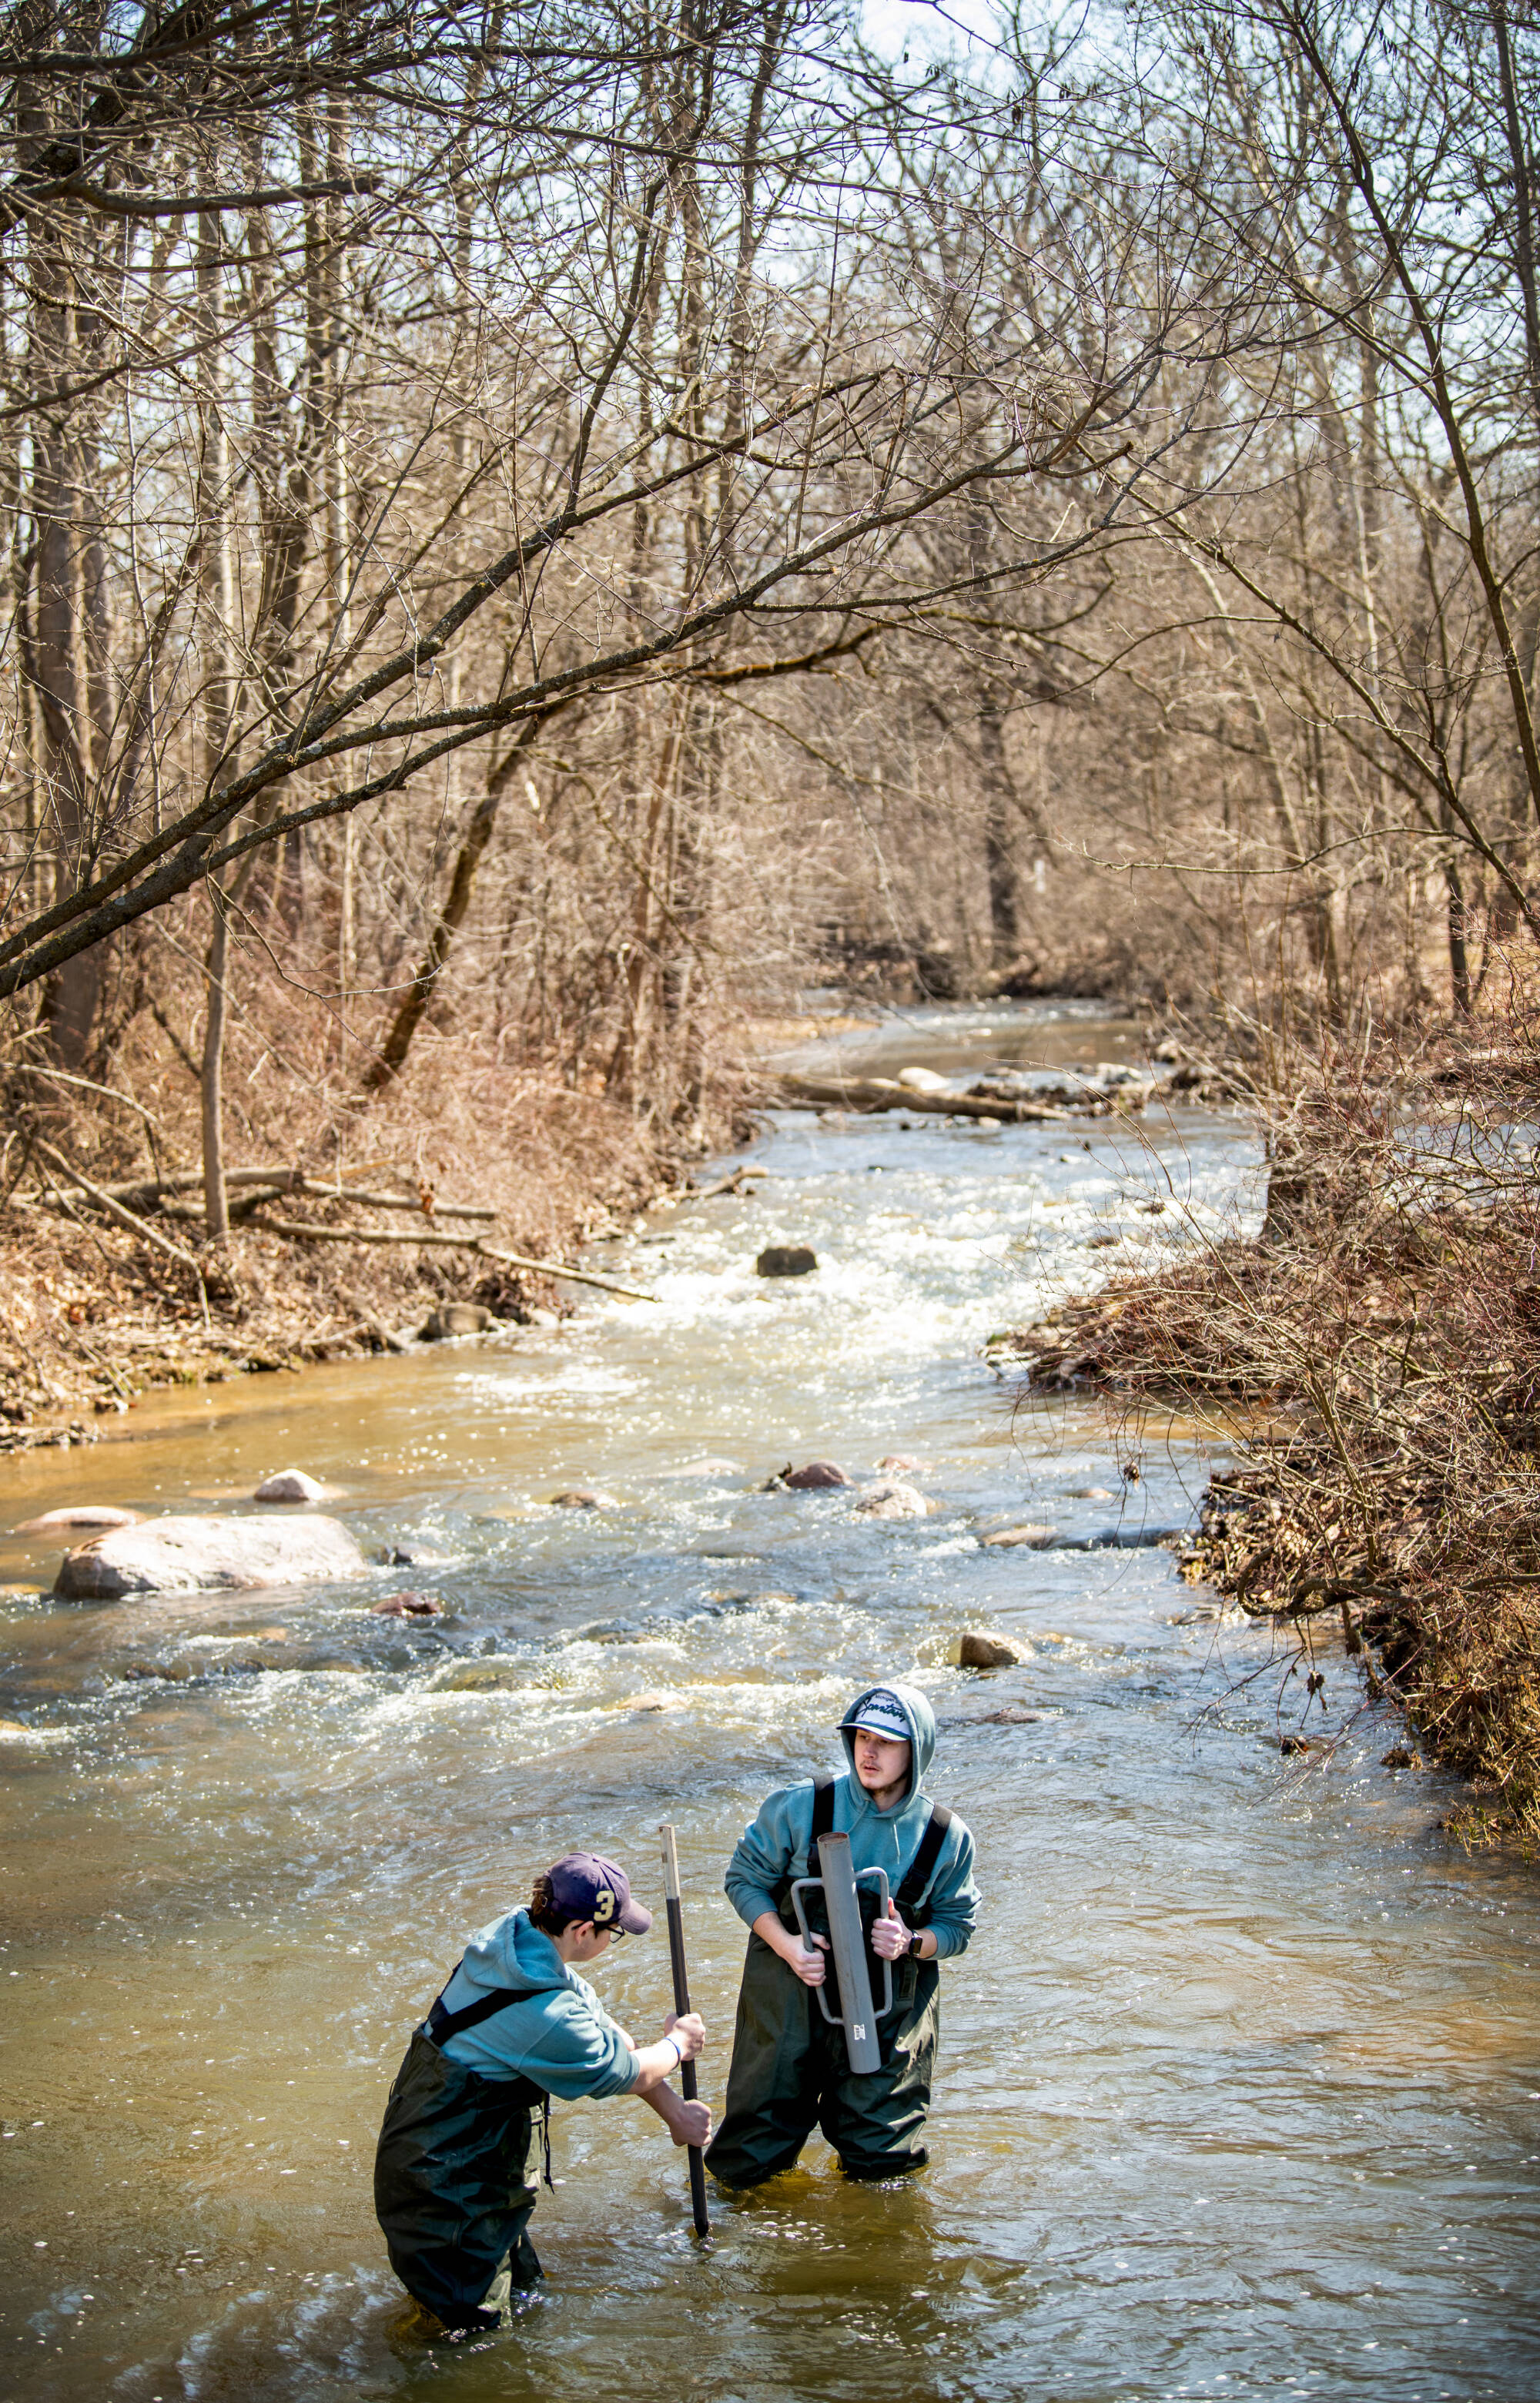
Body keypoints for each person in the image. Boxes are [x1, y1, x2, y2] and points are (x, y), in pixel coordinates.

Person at [374, 1849, 709, 2334]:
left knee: (526, 2296)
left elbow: (612, 2042)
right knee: (466, 2340)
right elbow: (626, 2072)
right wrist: (677, 2046)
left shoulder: (517, 1938)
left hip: (465, 2169)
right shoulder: (545, 2013)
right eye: (613, 1932)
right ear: (580, 1932)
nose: (614, 1941)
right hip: (443, 2193)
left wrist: (676, 2113)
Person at [704, 1681, 977, 2188]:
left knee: (884, 2165)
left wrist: (911, 1941)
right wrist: (788, 1947)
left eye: (888, 1741)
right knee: (751, 2158)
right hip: (789, 1995)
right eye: (861, 1735)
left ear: (916, 1751)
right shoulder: (799, 1805)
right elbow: (743, 1880)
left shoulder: (946, 1836)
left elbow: (958, 1926)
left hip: (889, 2010)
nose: (869, 1750)